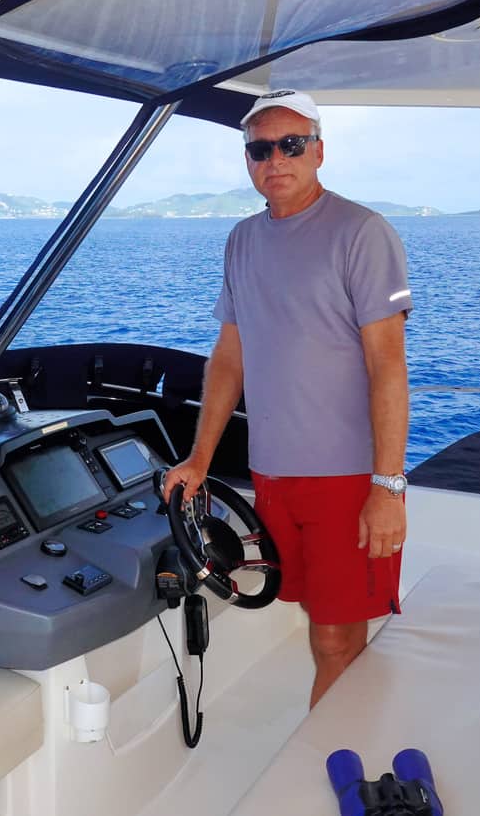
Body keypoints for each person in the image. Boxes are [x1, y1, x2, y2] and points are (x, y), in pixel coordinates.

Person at [161, 89, 412, 709]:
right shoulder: (242, 240)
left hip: (346, 477)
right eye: (260, 149)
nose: (276, 158)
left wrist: (388, 486)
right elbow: (229, 358)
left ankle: (337, 762)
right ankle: (345, 735)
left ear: (319, 151)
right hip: (272, 474)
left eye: (291, 144)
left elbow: (389, 366)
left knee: (333, 635)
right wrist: (199, 459)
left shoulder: (363, 232)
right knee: (313, 618)